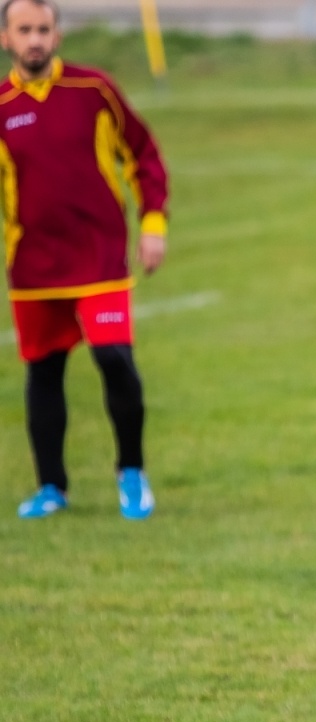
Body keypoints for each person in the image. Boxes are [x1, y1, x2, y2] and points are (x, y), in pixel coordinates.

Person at [0, 0, 167, 520]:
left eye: (43, 29)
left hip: (98, 258)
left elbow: (143, 154)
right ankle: (52, 487)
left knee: (114, 358)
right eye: (24, 30)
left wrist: (153, 224)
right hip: (32, 265)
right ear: (6, 38)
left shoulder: (93, 90)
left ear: (58, 35)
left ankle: (132, 473)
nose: (34, 40)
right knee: (43, 372)